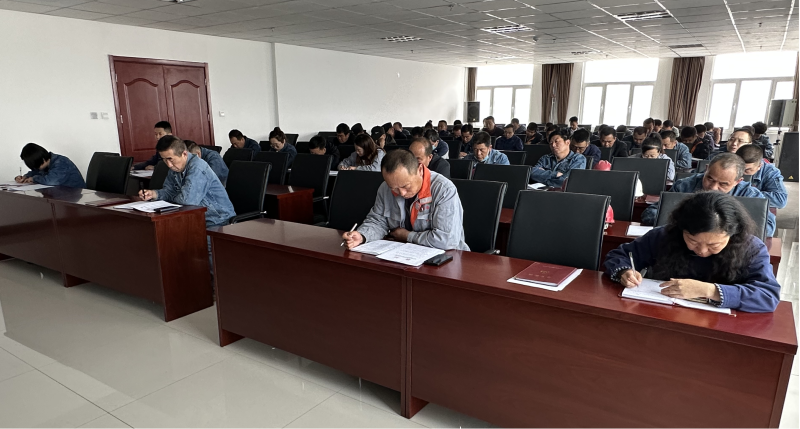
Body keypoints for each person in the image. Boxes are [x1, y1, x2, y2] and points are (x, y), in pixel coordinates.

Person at [604, 192, 780, 313]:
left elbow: (768, 296)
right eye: (693, 241)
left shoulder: (751, 249)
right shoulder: (664, 236)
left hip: (721, 329)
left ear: (732, 234)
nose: (702, 251)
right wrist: (624, 271)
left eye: (713, 245)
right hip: (663, 315)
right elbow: (619, 256)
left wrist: (710, 290)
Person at [341, 149, 469, 251]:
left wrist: (407, 236)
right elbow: (378, 221)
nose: (401, 193)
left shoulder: (444, 190)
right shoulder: (385, 188)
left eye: (406, 186)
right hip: (403, 255)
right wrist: (362, 236)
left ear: (419, 170)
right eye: (394, 188)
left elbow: (446, 240)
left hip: (447, 258)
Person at [640, 153, 776, 236]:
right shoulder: (684, 186)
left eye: (723, 184)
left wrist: (720, 229)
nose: (713, 187)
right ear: (706, 169)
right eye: (709, 178)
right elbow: (651, 213)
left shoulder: (750, 195)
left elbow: (767, 228)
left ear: (738, 181)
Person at [139, 136, 235, 227]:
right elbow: (169, 191)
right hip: (195, 219)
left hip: (218, 221)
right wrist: (154, 194)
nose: (168, 164)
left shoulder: (198, 168)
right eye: (164, 160)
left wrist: (172, 196)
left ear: (184, 154)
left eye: (170, 159)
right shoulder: (175, 168)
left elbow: (187, 202)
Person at [737, 144, 787, 209]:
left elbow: (780, 200)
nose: (741, 173)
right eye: (738, 168)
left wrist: (746, 192)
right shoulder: (729, 164)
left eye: (747, 170)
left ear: (759, 166)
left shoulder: (770, 172)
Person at [15, 143, 85, 188]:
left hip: (74, 197)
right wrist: (25, 177)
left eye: (36, 166)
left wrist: (34, 179)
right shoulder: (44, 164)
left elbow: (51, 181)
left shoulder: (61, 162)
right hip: (60, 195)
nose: (35, 168)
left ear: (42, 159)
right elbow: (35, 172)